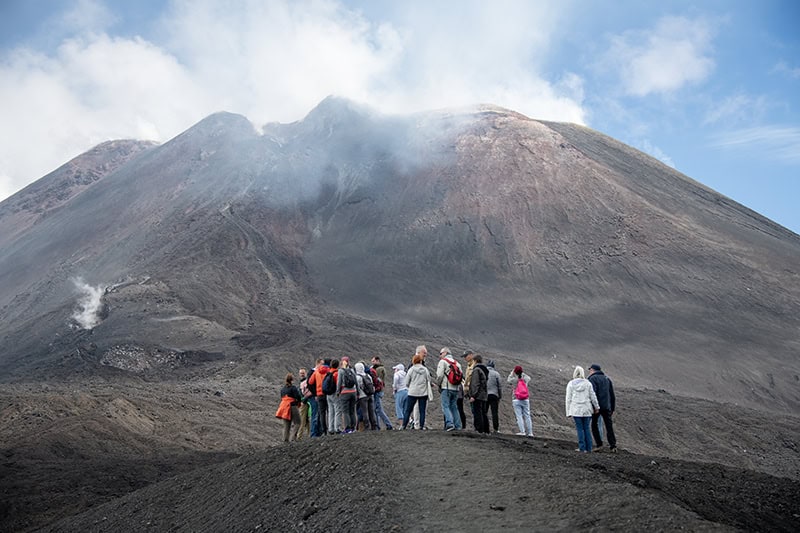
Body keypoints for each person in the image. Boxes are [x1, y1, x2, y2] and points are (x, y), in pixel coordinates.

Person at [566, 365, 599, 452]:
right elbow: (593, 396)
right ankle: (589, 448)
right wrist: (596, 407)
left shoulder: (571, 384)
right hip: (587, 409)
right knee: (587, 428)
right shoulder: (588, 383)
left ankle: (582, 447)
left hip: (576, 409)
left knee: (580, 428)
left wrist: (568, 412)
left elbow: (568, 398)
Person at [588, 364, 617, 452]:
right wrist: (612, 408)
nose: (589, 371)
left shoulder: (592, 379)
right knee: (609, 426)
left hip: (597, 407)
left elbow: (593, 393)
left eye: (590, 370)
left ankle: (599, 444)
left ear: (593, 370)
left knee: (594, 425)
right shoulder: (607, 379)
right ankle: (613, 446)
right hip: (607, 407)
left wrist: (594, 406)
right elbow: (612, 395)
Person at [402, 354, 432, 430]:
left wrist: (411, 386)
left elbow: (406, 382)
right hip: (423, 393)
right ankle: (421, 426)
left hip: (412, 392)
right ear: (421, 361)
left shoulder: (411, 370)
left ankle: (403, 426)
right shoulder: (425, 370)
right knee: (422, 411)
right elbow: (429, 379)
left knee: (408, 410)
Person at [436, 347, 463, 431]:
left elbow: (440, 375)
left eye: (440, 353)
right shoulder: (457, 364)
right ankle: (458, 425)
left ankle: (449, 423)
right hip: (455, 389)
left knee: (445, 406)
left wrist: (438, 384)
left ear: (445, 353)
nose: (440, 356)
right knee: (454, 407)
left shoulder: (443, 362)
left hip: (446, 387)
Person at [275, 373, 302, 442]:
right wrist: (299, 402)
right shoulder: (293, 388)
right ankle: (293, 438)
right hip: (292, 406)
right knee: (297, 422)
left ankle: (285, 440)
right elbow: (298, 397)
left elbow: (282, 397)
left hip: (283, 406)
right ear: (292, 380)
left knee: (286, 425)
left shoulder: (283, 389)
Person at [507, 365, 533, 437]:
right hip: (525, 399)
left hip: (516, 399)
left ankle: (522, 431)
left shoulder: (514, 380)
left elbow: (508, 380)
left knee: (519, 416)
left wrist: (512, 373)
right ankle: (530, 433)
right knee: (527, 415)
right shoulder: (525, 379)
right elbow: (529, 378)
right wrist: (522, 374)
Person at [469, 355, 490, 434]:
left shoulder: (477, 370)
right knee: (484, 413)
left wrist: (473, 395)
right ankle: (486, 429)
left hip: (478, 395)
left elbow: (475, 383)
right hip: (484, 395)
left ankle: (479, 429)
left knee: (478, 412)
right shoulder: (485, 370)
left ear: (475, 361)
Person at [371, 356, 394, 430]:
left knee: (379, 409)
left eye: (373, 361)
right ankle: (378, 425)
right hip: (379, 390)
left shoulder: (379, 369)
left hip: (377, 391)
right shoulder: (380, 368)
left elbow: (378, 380)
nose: (372, 362)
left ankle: (388, 424)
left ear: (377, 361)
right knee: (377, 410)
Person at [337, 357, 358, 433]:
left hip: (344, 393)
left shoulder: (341, 371)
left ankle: (347, 428)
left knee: (345, 411)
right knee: (352, 411)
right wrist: (357, 392)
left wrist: (338, 392)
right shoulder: (352, 370)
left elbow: (339, 383)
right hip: (353, 392)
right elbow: (356, 382)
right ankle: (353, 427)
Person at [355, 362, 378, 431]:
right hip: (370, 395)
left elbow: (357, 388)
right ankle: (374, 426)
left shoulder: (357, 377)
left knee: (365, 412)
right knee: (371, 411)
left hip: (362, 396)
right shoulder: (368, 376)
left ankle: (367, 426)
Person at [486, 360, 503, 433]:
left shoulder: (484, 373)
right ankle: (496, 429)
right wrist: (500, 396)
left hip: (485, 395)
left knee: (484, 412)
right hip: (494, 395)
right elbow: (499, 386)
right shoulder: (496, 374)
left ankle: (485, 427)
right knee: (494, 413)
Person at [327, 359, 342, 434]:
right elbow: (338, 383)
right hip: (335, 394)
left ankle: (330, 428)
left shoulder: (328, 373)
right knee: (337, 410)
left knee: (331, 411)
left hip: (328, 394)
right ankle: (337, 428)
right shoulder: (337, 373)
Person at [297, 368, 311, 440]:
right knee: (306, 420)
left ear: (305, 373)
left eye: (303, 373)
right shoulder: (302, 382)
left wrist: (303, 401)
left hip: (305, 403)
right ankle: (309, 435)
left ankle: (299, 437)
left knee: (302, 420)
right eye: (301, 373)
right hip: (305, 402)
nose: (302, 374)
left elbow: (308, 392)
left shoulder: (306, 382)